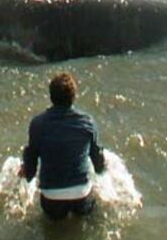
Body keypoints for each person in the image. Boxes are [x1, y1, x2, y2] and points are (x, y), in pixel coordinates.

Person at [19, 72, 105, 220]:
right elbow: (98, 164)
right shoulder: (88, 123)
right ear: (73, 97)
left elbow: (30, 170)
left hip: (51, 197)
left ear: (51, 96)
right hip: (81, 195)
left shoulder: (38, 124)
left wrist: (25, 170)